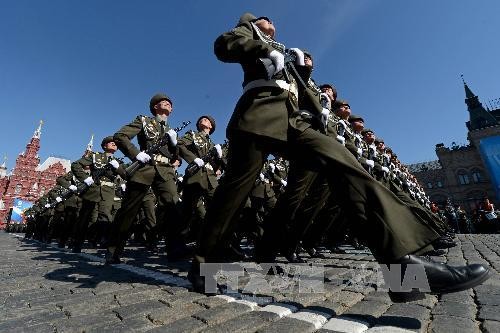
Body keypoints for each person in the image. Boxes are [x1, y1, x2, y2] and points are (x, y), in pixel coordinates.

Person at [188, 13, 490, 301]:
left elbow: (309, 99)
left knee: (346, 165)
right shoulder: (247, 34)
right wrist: (261, 45)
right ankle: (204, 264)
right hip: (257, 116)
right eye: (264, 19)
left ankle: (402, 269)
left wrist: (303, 74)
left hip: (295, 122)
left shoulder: (287, 53)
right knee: (233, 193)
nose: (272, 23)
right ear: (254, 23)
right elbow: (223, 46)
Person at [106, 93, 188, 263]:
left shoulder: (171, 131)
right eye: (162, 101)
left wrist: (174, 144)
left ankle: (176, 249)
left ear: (171, 110)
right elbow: (120, 136)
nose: (167, 103)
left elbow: (175, 157)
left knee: (173, 205)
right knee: (129, 210)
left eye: (170, 103)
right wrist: (136, 154)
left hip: (165, 171)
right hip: (145, 168)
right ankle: (113, 250)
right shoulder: (144, 121)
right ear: (155, 107)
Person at [70, 136, 126, 252]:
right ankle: (77, 242)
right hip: (93, 189)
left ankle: (103, 240)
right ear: (105, 146)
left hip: (108, 191)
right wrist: (85, 178)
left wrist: (118, 168)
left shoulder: (118, 162)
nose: (114, 144)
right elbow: (76, 165)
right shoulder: (95, 156)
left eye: (116, 143)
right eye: (111, 142)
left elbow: (126, 175)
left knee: (105, 215)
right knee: (85, 217)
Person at [178, 115, 222, 241]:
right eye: (202, 119)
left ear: (211, 126)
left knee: (218, 208)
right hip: (195, 175)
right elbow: (180, 144)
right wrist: (193, 159)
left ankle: (218, 242)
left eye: (208, 120)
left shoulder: (213, 144)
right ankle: (178, 245)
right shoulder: (192, 134)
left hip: (211, 179)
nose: (204, 119)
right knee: (187, 211)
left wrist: (219, 157)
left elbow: (216, 167)